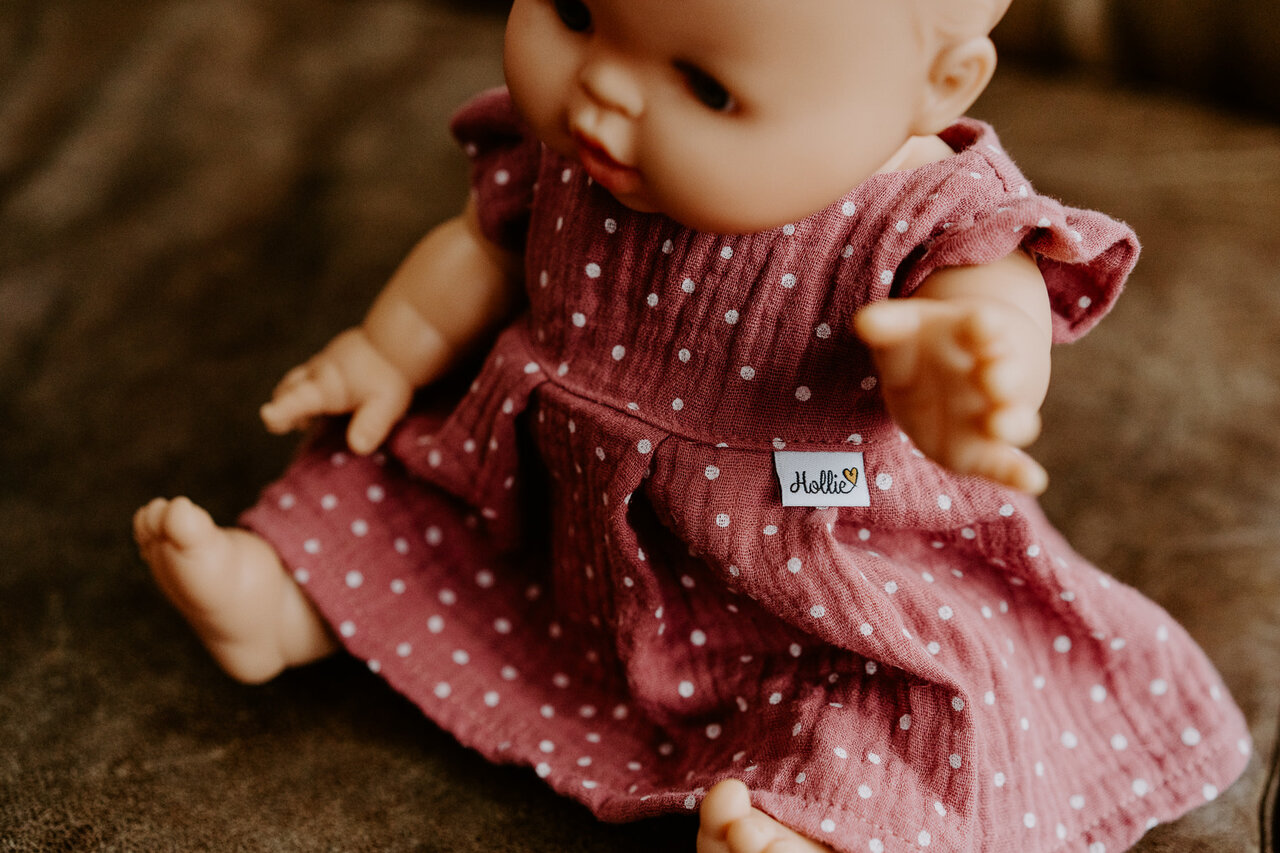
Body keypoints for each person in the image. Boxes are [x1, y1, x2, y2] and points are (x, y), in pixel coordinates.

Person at [134, 0, 1251, 850]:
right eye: (577, 12)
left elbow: (991, 295)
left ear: (932, 89)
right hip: (548, 492)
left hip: (800, 537)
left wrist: (978, 361)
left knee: (897, 706)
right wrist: (386, 350)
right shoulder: (567, 150)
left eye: (708, 88)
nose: (601, 94)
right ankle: (287, 598)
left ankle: (817, 826)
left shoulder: (927, 215)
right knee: (385, 474)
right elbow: (477, 251)